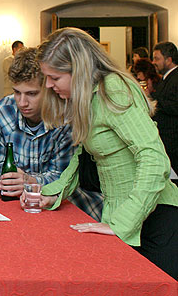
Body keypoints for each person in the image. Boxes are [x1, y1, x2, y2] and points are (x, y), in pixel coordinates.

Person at [36, 27, 178, 279]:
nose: (48, 85)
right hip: (121, 214)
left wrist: (122, 223)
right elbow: (83, 154)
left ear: (78, 71)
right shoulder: (89, 98)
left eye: (55, 77)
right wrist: (55, 192)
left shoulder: (112, 89)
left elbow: (154, 159)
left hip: (154, 218)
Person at [0, 47, 103, 220]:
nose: (22, 102)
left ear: (49, 87)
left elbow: (64, 178)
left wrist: (29, 181)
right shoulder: (2, 112)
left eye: (32, 94)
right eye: (17, 92)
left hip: (65, 206)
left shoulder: (68, 117)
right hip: (15, 208)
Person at [152, 41, 178, 182]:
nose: (153, 62)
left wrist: (156, 102)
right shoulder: (166, 78)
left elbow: (174, 106)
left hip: (173, 140)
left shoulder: (175, 78)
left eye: (157, 58)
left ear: (168, 59)